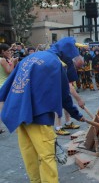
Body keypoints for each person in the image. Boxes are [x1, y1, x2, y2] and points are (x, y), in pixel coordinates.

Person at [0, 37, 85, 182]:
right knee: (47, 156)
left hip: (19, 113)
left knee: (30, 155)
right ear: (67, 53)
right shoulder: (56, 63)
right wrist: (77, 115)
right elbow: (65, 96)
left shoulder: (30, 57)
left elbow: (9, 83)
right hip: (39, 115)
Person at [0, 43, 18, 134]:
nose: (9, 52)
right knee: (2, 106)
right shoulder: (2, 60)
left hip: (2, 84)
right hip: (4, 85)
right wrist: (12, 62)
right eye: (8, 51)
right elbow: (9, 72)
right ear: (2, 51)